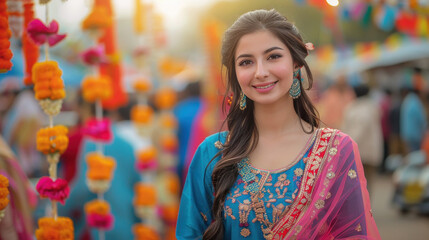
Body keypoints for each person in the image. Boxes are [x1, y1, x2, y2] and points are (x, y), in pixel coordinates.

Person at [176, 9, 380, 240]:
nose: (261, 72)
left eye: (273, 56)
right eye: (246, 62)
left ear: (295, 63)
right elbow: (189, 234)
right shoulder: (212, 153)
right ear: (235, 73)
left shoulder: (337, 150)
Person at [341, 84, 383, 195]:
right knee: (367, 181)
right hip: (370, 150)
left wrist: (346, 145)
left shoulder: (355, 108)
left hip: (358, 151)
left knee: (358, 182)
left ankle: (362, 209)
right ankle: (366, 208)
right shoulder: (372, 106)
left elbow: (358, 131)